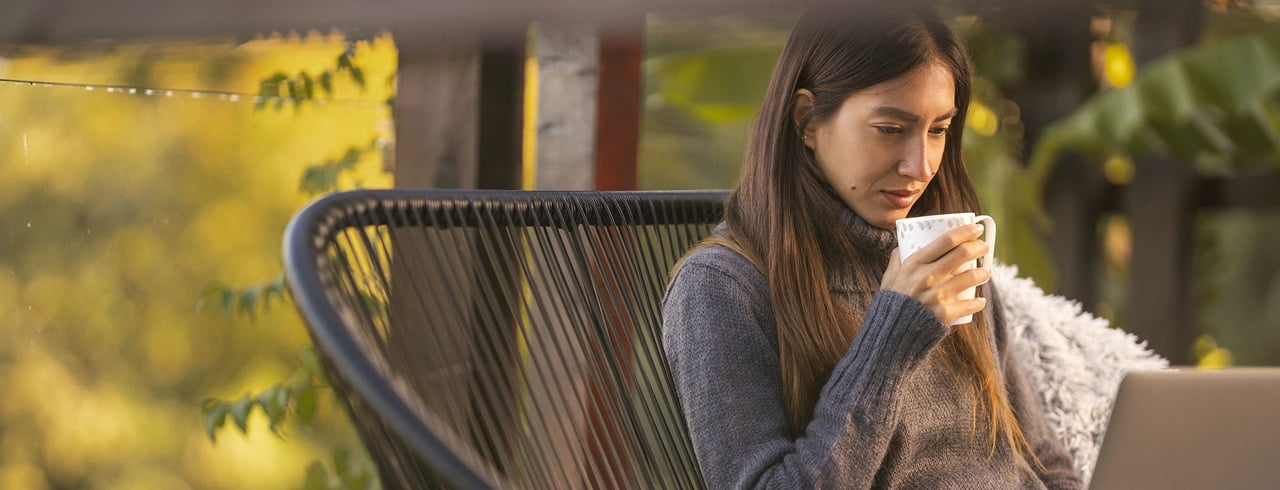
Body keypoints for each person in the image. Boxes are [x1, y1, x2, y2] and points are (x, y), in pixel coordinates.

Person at [660, 4, 1083, 489]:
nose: (921, 166)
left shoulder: (948, 258)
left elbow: (1046, 464)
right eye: (890, 130)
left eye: (939, 130)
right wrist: (893, 336)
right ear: (807, 120)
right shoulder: (721, 287)